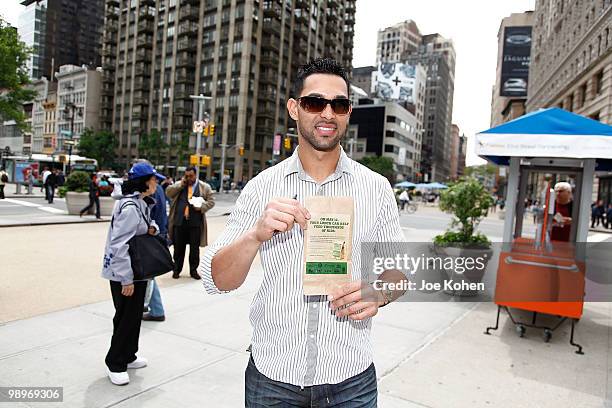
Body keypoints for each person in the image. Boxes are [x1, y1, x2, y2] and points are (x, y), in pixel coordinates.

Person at [199, 58, 407, 407]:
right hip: (273, 379)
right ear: (295, 109)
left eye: (338, 104)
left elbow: (401, 271)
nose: (327, 113)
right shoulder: (260, 187)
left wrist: (379, 293)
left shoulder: (376, 188)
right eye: (315, 102)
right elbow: (218, 280)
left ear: (348, 112)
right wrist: (255, 235)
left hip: (350, 377)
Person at [101, 161, 165, 386]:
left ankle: (129, 355)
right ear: (145, 182)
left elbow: (149, 226)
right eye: (154, 179)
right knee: (125, 318)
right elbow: (119, 245)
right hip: (125, 273)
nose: (157, 183)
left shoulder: (140, 203)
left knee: (133, 316)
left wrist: (152, 228)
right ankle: (115, 362)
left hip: (135, 270)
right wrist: (126, 278)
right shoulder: (130, 207)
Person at [166, 167, 215, 279]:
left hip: (195, 223)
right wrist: (180, 185)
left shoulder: (204, 187)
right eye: (186, 176)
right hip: (180, 222)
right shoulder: (180, 185)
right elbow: (168, 192)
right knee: (178, 249)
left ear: (195, 175)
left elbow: (211, 201)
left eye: (191, 176)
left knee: (194, 249)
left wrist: (202, 207)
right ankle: (177, 270)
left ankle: (193, 271)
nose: (188, 178)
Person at [142, 170, 169, 322]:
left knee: (147, 275)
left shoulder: (151, 191)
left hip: (152, 236)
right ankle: (153, 307)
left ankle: (156, 309)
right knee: (148, 274)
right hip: (158, 234)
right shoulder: (157, 189)